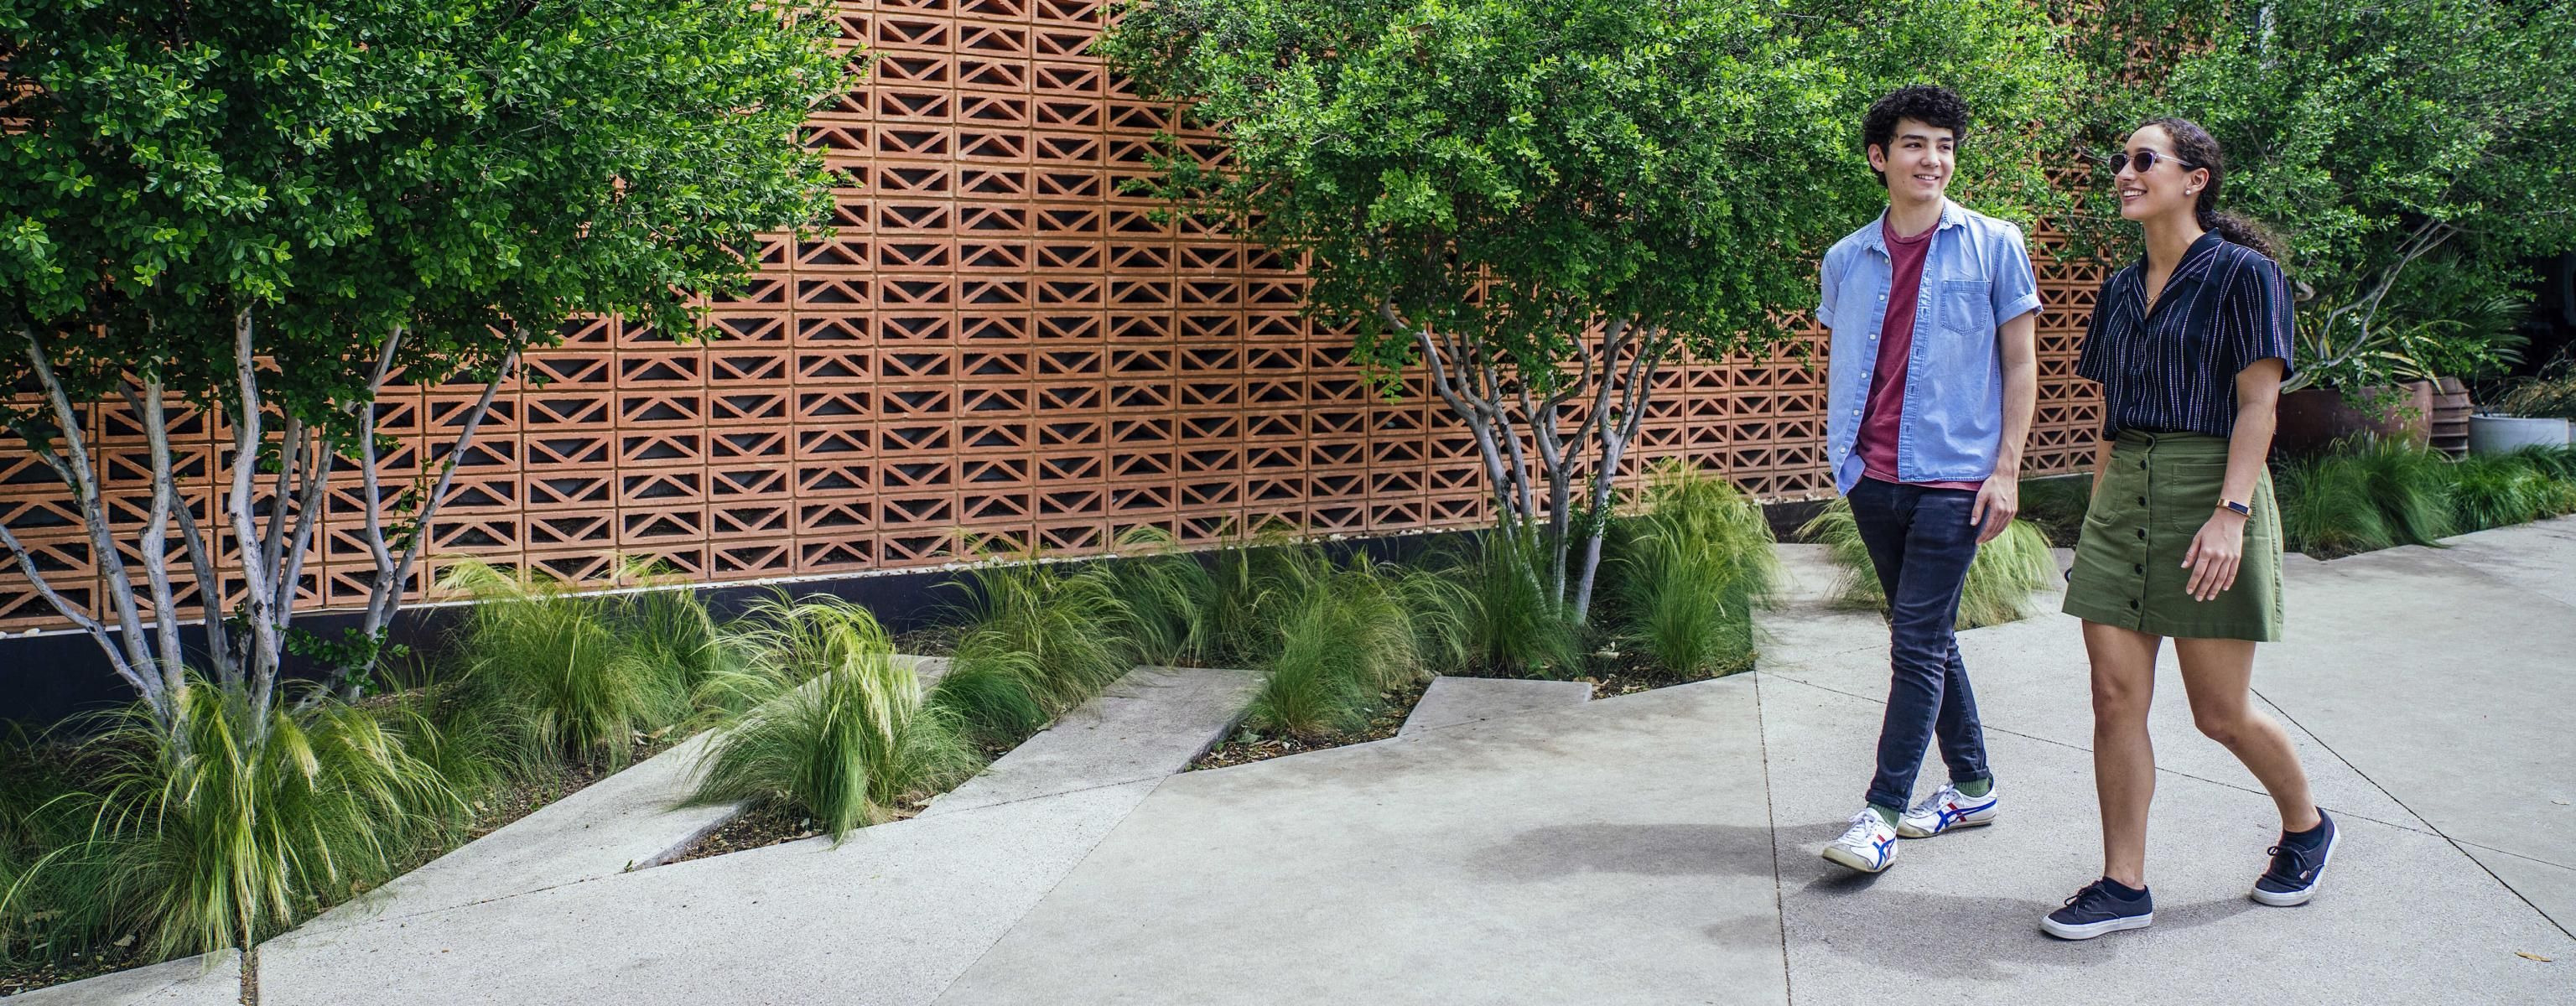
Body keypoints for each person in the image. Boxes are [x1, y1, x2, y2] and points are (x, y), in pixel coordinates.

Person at [2042, 117, 2333, 941]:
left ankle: (2308, 826)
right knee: (2113, 698)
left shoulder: (2245, 276)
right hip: (2125, 495)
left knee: (2219, 712)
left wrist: (2231, 516)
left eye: (2143, 160)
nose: (2125, 174)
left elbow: (2258, 404)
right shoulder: (2116, 290)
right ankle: (2122, 882)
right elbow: (2106, 421)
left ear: (2194, 177)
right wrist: (2092, 528)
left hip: (2212, 489)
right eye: (2120, 163)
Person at [1814, 85, 2042, 874]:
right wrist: (1844, 463)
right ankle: (1972, 786)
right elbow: (1850, 361)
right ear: (1881, 157)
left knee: (1913, 643)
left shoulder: (1994, 244)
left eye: (1944, 145)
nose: (1933, 160)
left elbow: (2020, 363)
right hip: (1872, 477)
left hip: (1956, 477)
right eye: (1915, 144)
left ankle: (1879, 814)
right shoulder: (1846, 259)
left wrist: (2006, 470)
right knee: (1930, 638)